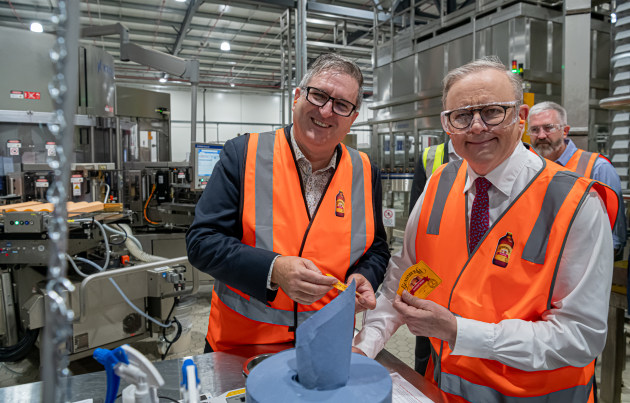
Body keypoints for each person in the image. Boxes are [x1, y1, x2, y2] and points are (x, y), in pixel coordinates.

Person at [353, 56, 618, 402]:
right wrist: (362, 350)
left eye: (493, 111)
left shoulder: (576, 203)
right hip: (443, 390)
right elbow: (397, 286)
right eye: (461, 116)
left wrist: (460, 332)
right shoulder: (437, 186)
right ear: (447, 125)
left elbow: (581, 336)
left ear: (520, 118)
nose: (476, 127)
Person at [186, 53, 390, 353]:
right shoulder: (244, 155)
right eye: (318, 95)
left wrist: (365, 277)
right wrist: (274, 269)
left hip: (328, 346)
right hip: (241, 349)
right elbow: (202, 243)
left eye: (342, 105)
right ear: (297, 96)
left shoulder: (365, 170)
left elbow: (376, 248)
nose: (326, 110)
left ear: (353, 117)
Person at [529, 101, 627, 258]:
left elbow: (614, 238)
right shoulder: (530, 168)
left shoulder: (597, 168)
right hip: (539, 266)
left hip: (582, 267)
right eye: (534, 130)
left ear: (565, 131)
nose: (541, 135)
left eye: (549, 128)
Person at [409, 136, 460, 375]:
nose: (476, 124)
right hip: (432, 271)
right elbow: (415, 223)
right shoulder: (433, 165)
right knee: (426, 349)